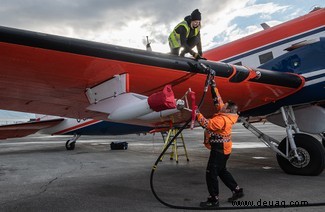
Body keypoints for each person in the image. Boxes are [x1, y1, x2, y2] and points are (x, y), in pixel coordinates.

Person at [196, 79, 244, 208]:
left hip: (219, 149)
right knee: (222, 170)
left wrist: (197, 114)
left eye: (224, 106)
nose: (221, 105)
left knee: (211, 173)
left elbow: (207, 124)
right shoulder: (228, 114)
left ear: (227, 110)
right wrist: (213, 86)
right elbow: (218, 100)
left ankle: (214, 199)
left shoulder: (222, 120)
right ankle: (237, 190)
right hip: (225, 149)